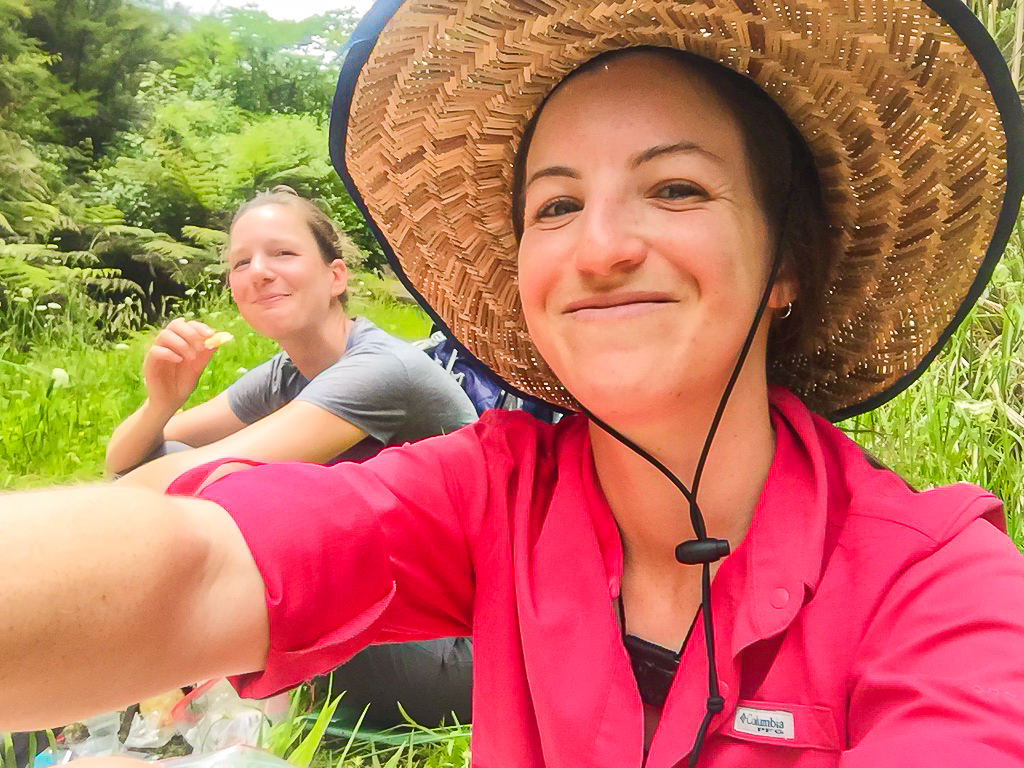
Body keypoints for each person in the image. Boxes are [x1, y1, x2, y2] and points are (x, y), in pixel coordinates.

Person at [3, 1, 1024, 766]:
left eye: (675, 188)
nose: (602, 247)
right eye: (555, 206)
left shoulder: (935, 586)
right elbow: (197, 556)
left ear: (784, 265)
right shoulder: (494, 491)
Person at [106, 186, 476, 728]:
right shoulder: (284, 374)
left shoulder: (381, 372)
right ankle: (178, 688)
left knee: (251, 540)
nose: (257, 271)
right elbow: (135, 462)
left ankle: (175, 688)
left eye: (282, 253)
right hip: (379, 615)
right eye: (240, 261)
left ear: (336, 277)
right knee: (204, 489)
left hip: (459, 642)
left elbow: (177, 478)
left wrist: (71, 547)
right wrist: (163, 401)